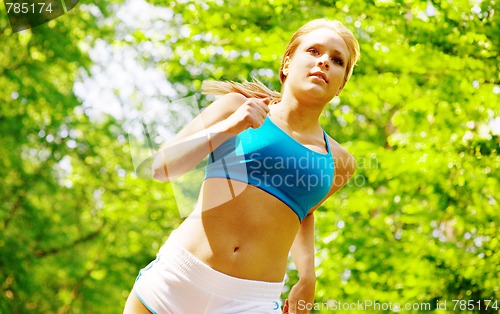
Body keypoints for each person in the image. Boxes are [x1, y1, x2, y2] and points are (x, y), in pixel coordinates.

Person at [124, 18, 360, 314]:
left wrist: (307, 276)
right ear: (287, 64)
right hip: (176, 281)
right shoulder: (236, 107)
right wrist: (230, 126)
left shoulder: (340, 161)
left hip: (250, 302)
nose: (324, 61)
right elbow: (161, 168)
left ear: (341, 85)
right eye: (314, 51)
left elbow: (303, 213)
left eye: (337, 61)